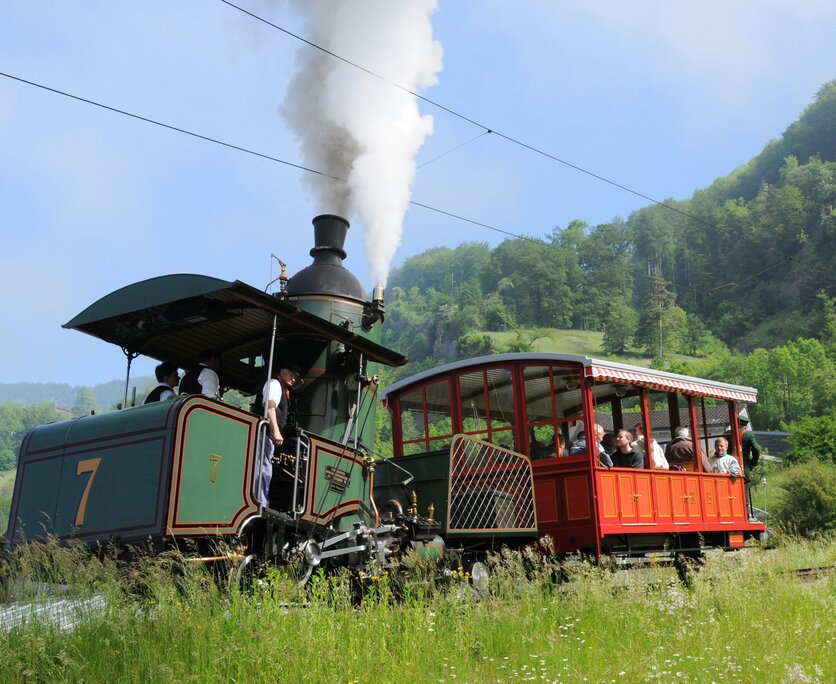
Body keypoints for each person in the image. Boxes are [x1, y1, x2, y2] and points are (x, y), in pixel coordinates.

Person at [259, 364, 303, 508]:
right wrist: (276, 431)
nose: (293, 378)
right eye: (292, 374)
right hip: (265, 433)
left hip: (268, 435)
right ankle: (261, 501)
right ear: (282, 371)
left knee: (266, 468)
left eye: (295, 377)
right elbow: (270, 408)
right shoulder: (274, 384)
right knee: (264, 468)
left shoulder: (283, 389)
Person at [739, 415, 762, 520]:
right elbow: (756, 449)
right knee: (744, 493)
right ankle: (746, 516)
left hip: (730, 468)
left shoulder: (730, 435)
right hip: (745, 468)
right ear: (746, 426)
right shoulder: (748, 435)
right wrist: (752, 463)